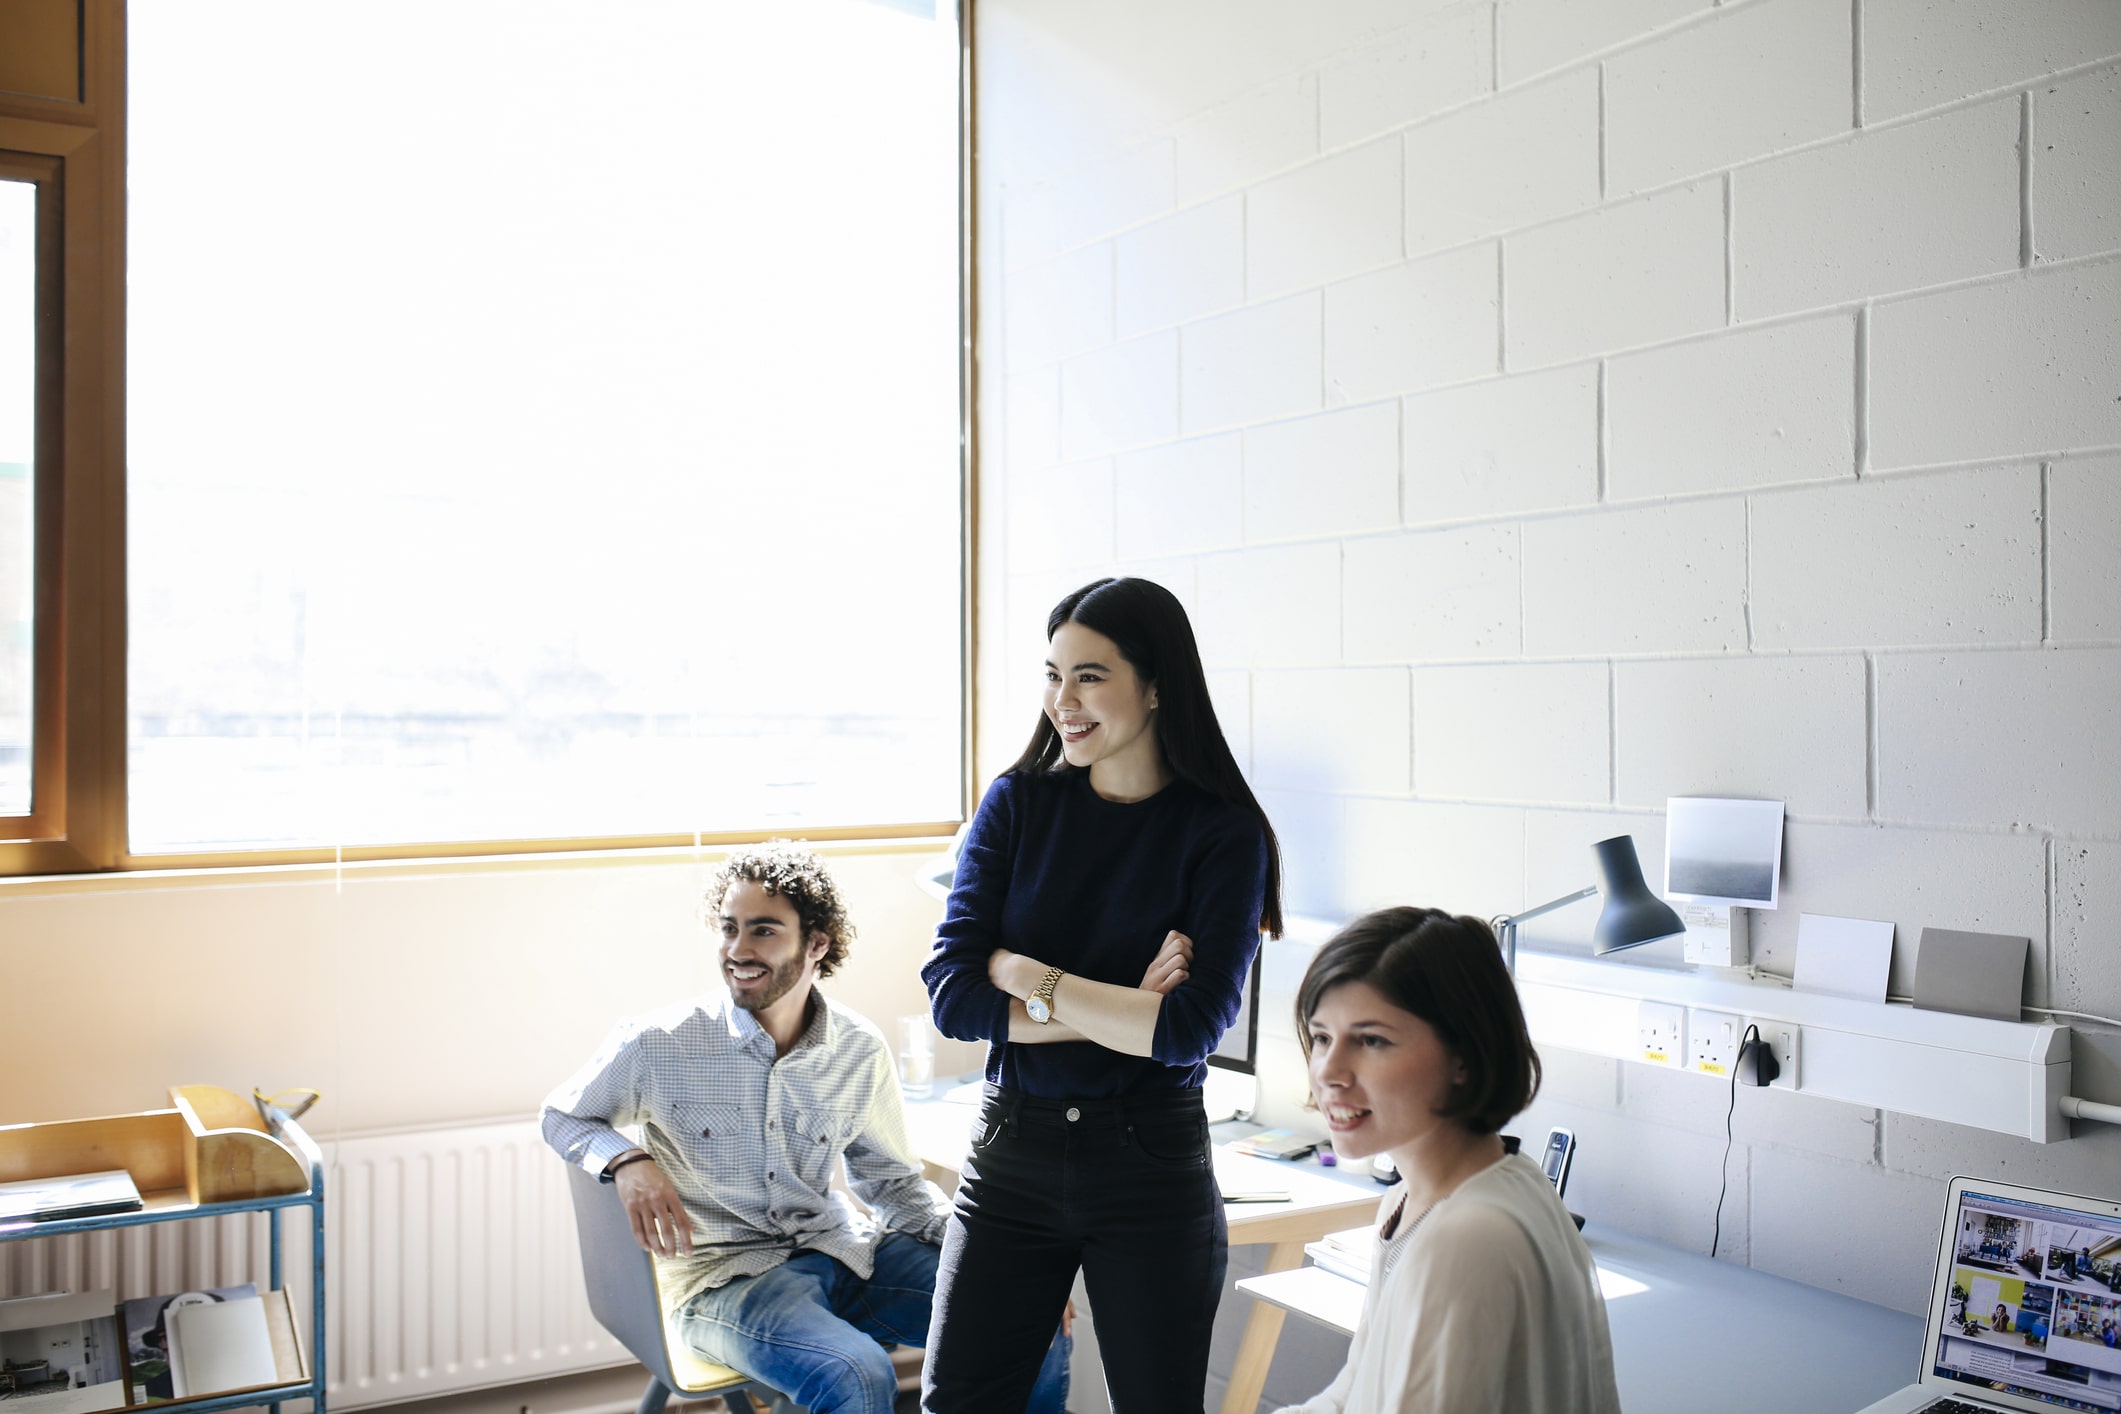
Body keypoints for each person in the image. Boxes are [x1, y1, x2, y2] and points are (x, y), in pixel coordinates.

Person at [920, 576, 1282, 1414]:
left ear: (1157, 687)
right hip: (1011, 1155)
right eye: (1052, 674)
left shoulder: (1222, 833)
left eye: (1089, 674)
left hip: (1149, 1165)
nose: (1062, 700)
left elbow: (1186, 1031)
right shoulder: (1016, 805)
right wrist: (1122, 1006)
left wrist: (1027, 977)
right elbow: (953, 997)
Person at [542, 840, 1068, 1414]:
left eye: (763, 930)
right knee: (855, 1373)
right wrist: (626, 1160)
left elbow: (892, 1184)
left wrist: (998, 1262)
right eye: (728, 928)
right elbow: (563, 1114)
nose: (737, 949)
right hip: (724, 1281)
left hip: (842, 1252)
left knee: (1028, 1320)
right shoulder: (658, 1043)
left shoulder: (858, 1049)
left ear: (816, 944)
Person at [1274, 907, 1621, 1414]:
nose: (1329, 1071)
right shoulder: (1417, 1195)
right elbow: (1352, 1394)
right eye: (1322, 1037)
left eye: (1372, 1040)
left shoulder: (1468, 1236)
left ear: (1463, 1056)